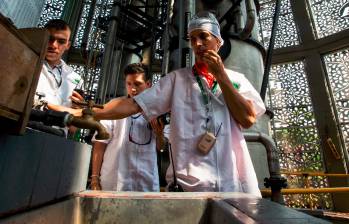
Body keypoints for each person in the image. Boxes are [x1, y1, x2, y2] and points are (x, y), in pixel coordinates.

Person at [74, 12, 265, 197]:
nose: (198, 44)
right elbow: (134, 106)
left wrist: (221, 76)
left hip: (232, 183)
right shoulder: (177, 80)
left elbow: (247, 119)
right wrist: (86, 113)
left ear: (218, 40)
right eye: (192, 38)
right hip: (190, 185)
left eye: (204, 37)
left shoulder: (237, 79)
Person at [90, 63, 168, 191]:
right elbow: (100, 145)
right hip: (115, 180)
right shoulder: (114, 107)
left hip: (146, 181)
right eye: (129, 84)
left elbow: (160, 148)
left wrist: (159, 134)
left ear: (148, 84)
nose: (132, 89)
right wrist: (94, 178)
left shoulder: (156, 111)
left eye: (137, 84)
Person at [35, 19, 84, 111]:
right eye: (50, 39)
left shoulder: (77, 79)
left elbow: (76, 112)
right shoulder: (27, 64)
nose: (53, 45)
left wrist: (79, 107)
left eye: (61, 41)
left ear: (68, 45)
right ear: (43, 38)